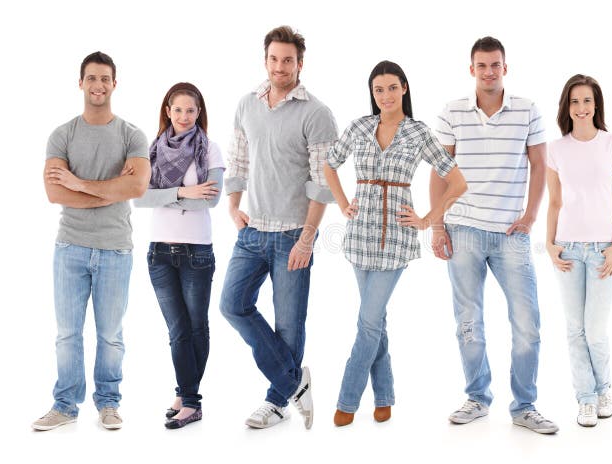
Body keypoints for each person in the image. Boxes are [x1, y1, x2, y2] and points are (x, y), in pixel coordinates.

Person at [325, 61, 467, 426]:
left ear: (404, 88)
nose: (385, 95)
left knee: (368, 323)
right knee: (376, 322)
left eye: (391, 87)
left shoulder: (418, 133)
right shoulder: (359, 127)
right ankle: (385, 396)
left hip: (396, 241)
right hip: (359, 238)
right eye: (378, 89)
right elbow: (329, 165)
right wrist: (342, 203)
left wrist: (427, 219)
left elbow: (458, 183)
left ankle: (346, 402)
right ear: (372, 94)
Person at [430, 36, 558, 434]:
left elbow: (540, 166)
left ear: (506, 68)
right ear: (472, 69)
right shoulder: (452, 112)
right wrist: (436, 224)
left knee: (528, 322)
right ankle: (477, 397)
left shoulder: (527, 110)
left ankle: (524, 405)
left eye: (496, 65)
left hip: (510, 233)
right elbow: (439, 169)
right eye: (482, 65)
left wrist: (531, 216)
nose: (489, 72)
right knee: (468, 320)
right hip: (463, 228)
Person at [219, 25, 338, 430]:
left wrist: (307, 238)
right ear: (265, 60)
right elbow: (237, 163)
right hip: (253, 232)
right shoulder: (246, 105)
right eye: (274, 59)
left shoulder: (317, 113)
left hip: (293, 233)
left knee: (289, 324)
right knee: (232, 305)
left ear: (300, 64)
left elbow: (323, 184)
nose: (280, 66)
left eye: (288, 60)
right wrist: (234, 207)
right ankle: (294, 383)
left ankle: (276, 401)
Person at [34, 51, 150, 431]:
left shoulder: (132, 135)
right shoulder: (62, 134)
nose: (98, 85)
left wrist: (80, 183)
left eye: (105, 79)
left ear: (114, 84)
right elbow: (55, 195)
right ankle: (65, 406)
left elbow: (136, 186)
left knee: (110, 335)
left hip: (116, 248)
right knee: (67, 334)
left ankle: (109, 404)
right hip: (70, 247)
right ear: (80, 83)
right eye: (91, 78)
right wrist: (110, 189)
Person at [133, 82, 224, 429]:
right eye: (178, 110)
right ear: (167, 112)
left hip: (197, 250)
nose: (184, 117)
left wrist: (164, 194)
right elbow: (139, 198)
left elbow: (211, 200)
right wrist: (184, 191)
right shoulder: (151, 150)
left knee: (196, 327)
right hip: (159, 252)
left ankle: (188, 400)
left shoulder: (209, 150)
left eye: (191, 110)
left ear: (199, 112)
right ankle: (189, 398)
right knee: (177, 330)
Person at [545, 74, 612, 427]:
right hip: (566, 249)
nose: (581, 108)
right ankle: (585, 398)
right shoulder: (556, 148)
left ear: (597, 105)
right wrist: (550, 245)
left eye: (587, 101)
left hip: (602, 249)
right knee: (574, 329)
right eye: (575, 101)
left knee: (595, 329)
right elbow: (554, 202)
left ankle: (603, 388)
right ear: (567, 106)